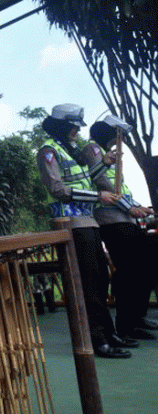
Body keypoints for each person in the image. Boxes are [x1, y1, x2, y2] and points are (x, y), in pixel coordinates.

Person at [37, 104, 133, 358]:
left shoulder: (72, 151)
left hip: (88, 221)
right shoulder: (48, 151)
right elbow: (58, 189)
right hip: (71, 223)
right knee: (89, 282)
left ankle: (108, 332)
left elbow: (88, 178)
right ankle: (97, 338)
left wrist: (105, 164)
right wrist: (97, 196)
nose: (77, 131)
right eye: (73, 127)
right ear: (62, 126)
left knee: (100, 278)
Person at [84, 116, 158, 340]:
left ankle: (137, 317)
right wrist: (131, 208)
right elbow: (105, 184)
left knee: (145, 265)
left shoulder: (109, 154)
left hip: (123, 217)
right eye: (116, 135)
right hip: (111, 219)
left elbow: (121, 187)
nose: (119, 141)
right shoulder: (93, 150)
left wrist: (138, 207)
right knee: (128, 271)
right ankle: (127, 324)